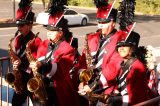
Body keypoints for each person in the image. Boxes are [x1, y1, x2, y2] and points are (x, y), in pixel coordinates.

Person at [29, 1, 81, 106]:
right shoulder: (44, 43)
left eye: (52, 31)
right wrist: (34, 64)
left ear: (60, 33)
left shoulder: (67, 48)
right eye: (48, 30)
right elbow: (38, 59)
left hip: (57, 91)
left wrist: (42, 65)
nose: (48, 33)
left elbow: (59, 69)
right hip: (42, 86)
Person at [78, 0, 124, 105]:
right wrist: (82, 80)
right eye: (99, 22)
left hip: (107, 89)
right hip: (88, 86)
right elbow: (83, 61)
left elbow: (113, 67)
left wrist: (92, 86)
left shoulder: (120, 39)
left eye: (104, 22)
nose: (100, 26)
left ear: (113, 23)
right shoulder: (92, 37)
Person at [103, 31, 158, 106]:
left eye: (125, 46)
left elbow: (138, 97)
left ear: (132, 48)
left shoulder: (138, 67)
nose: (121, 48)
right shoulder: (122, 63)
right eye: (119, 46)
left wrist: (116, 99)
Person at [6, 0, 42, 106]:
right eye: (18, 26)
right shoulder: (17, 40)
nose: (19, 28)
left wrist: (22, 63)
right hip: (20, 78)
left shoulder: (36, 40)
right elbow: (16, 56)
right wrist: (16, 63)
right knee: (15, 103)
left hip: (31, 78)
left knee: (37, 103)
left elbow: (36, 62)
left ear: (29, 25)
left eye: (22, 26)